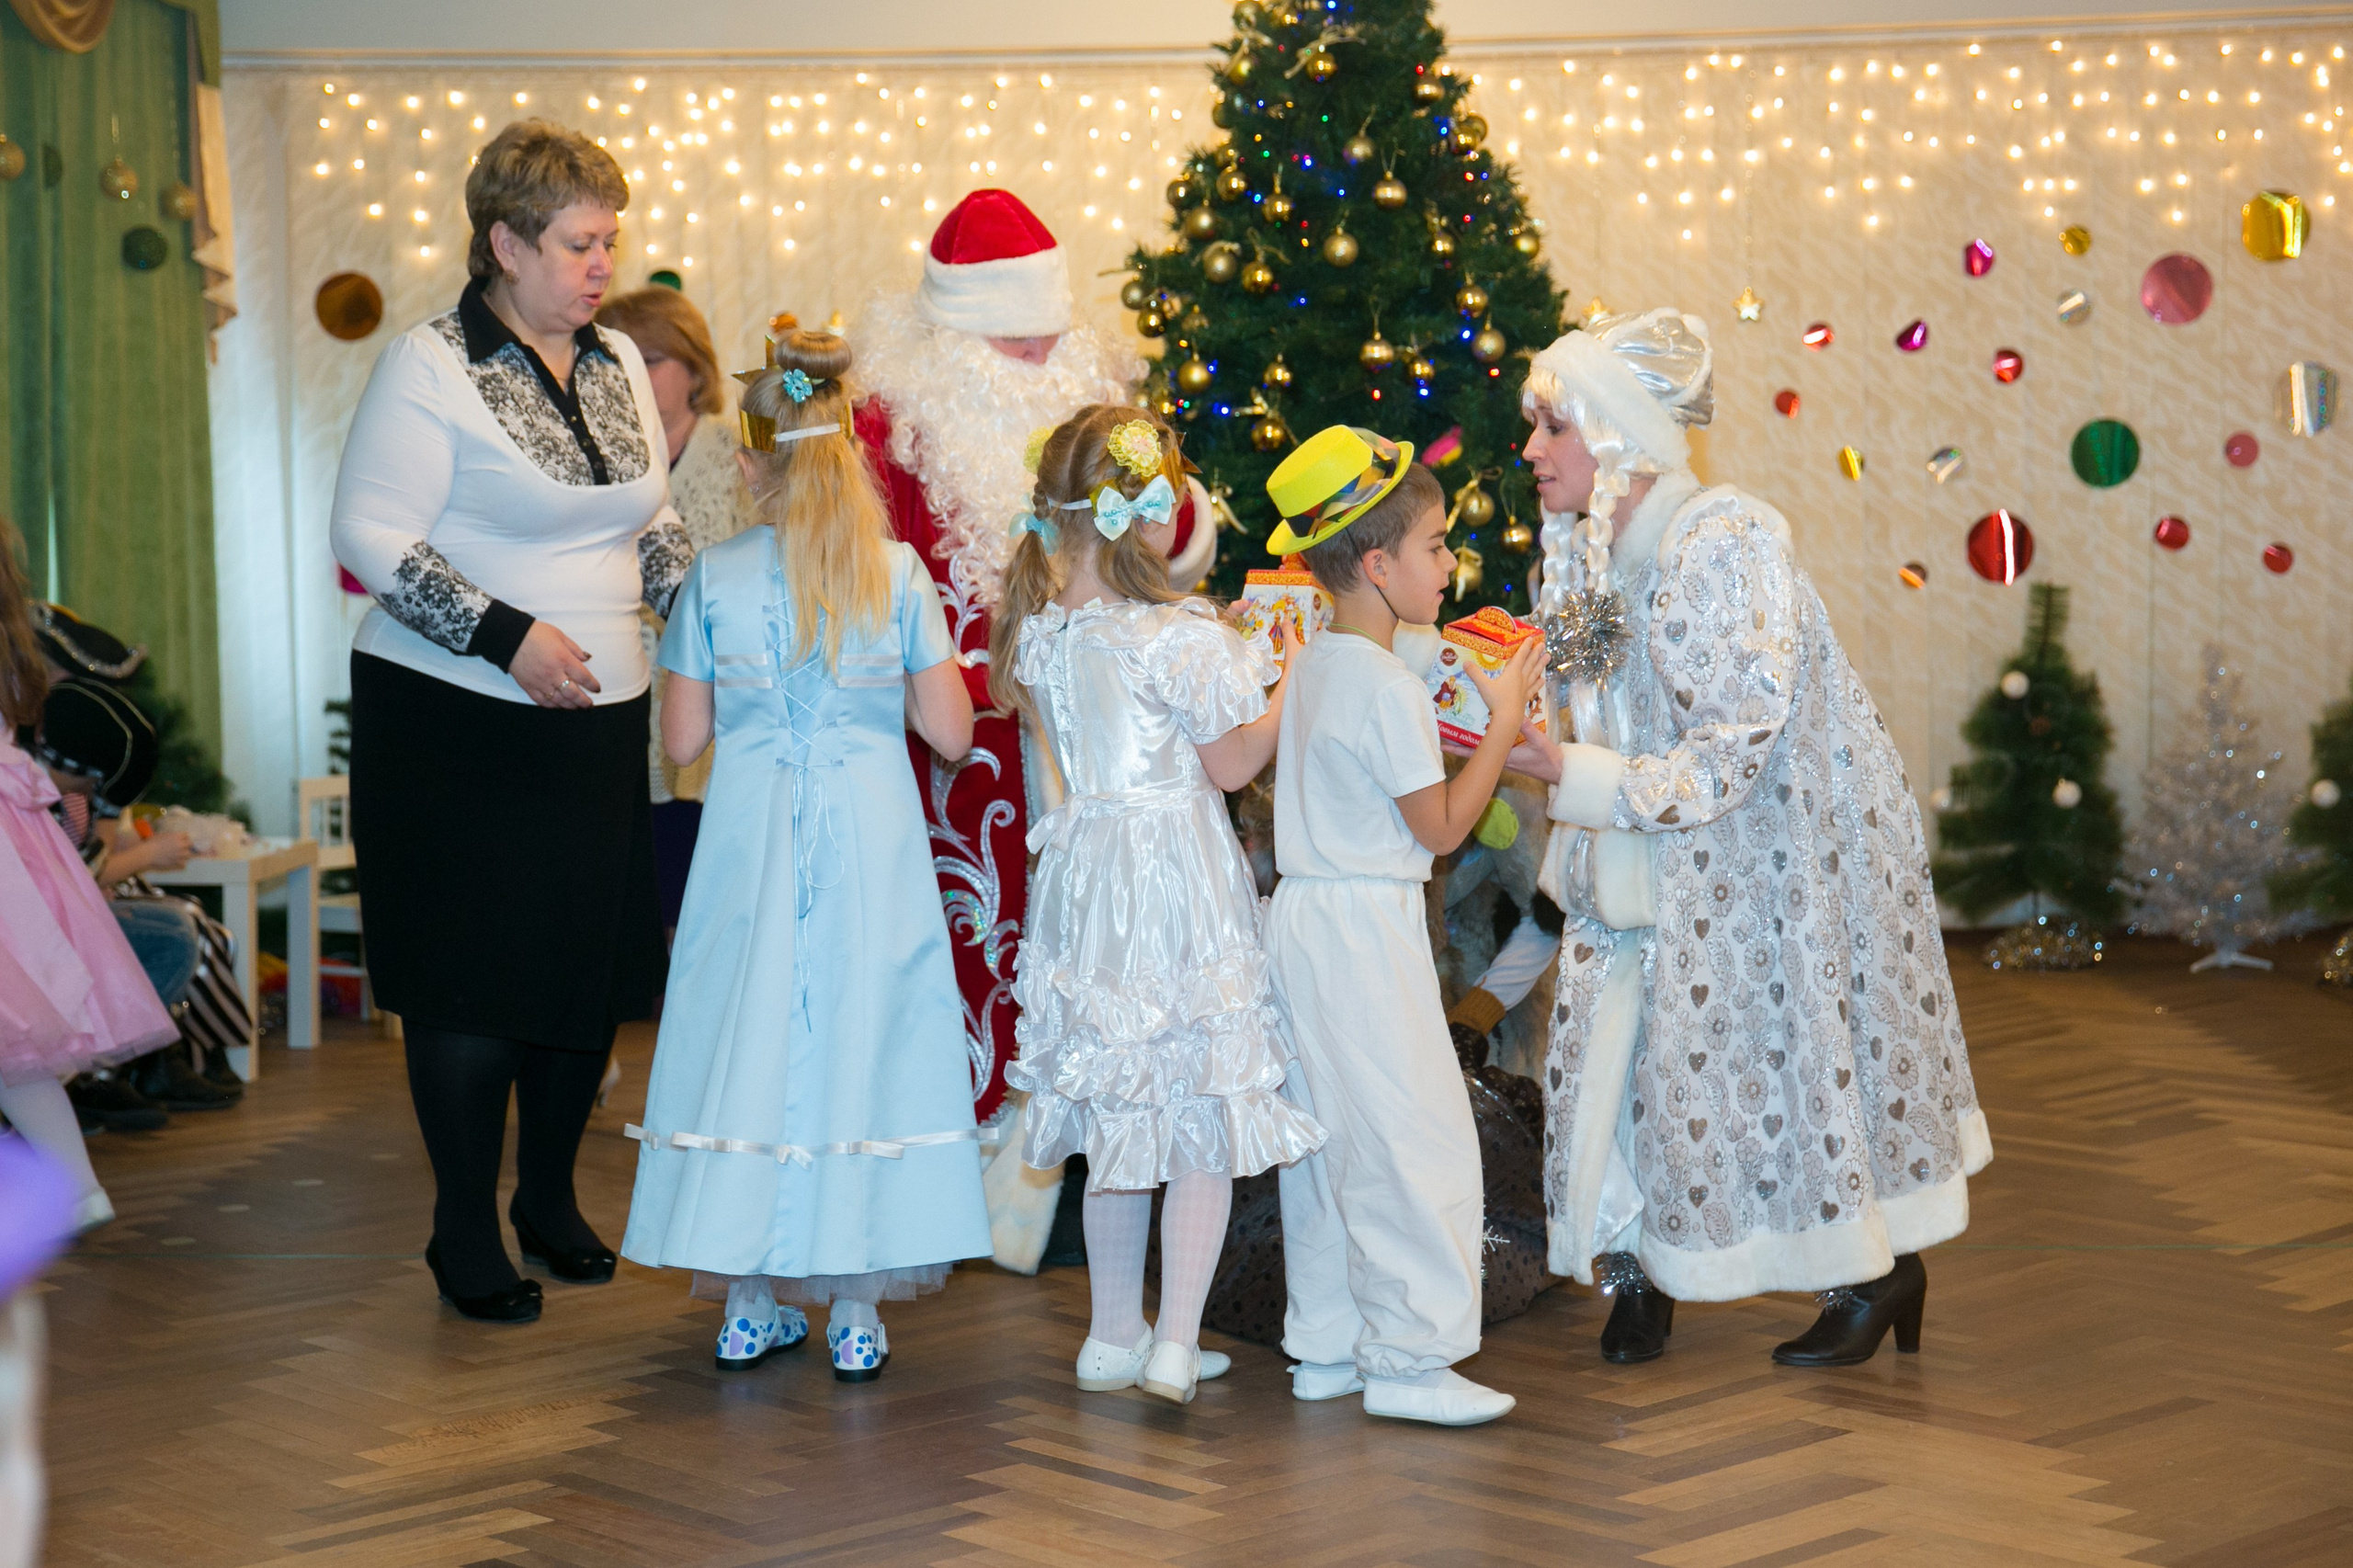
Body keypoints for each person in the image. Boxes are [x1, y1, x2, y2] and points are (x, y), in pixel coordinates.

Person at [1506, 308, 1992, 1367]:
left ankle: (1873, 1270)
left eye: (1552, 426)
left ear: (1620, 432)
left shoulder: (1724, 537)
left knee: (1776, 1063)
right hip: (1639, 854)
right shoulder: (1579, 556)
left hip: (1768, 858)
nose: (1531, 450)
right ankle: (1638, 1274)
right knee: (1615, 1063)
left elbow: (1738, 743)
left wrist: (1573, 773)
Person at [330, 119, 689, 1324]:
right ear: (505, 242)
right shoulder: (429, 364)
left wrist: (703, 626)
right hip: (452, 723)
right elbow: (370, 539)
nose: (602, 265)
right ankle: (461, 1224)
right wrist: (506, 637)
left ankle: (545, 1197)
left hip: (594, 721)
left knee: (579, 978)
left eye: (610, 241)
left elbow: (653, 519)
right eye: (581, 243)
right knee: (474, 987)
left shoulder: (617, 362)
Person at [620, 329, 992, 1383]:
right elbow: (955, 734)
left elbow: (684, 742)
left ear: (749, 464)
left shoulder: (715, 577)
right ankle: (858, 1311)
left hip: (749, 843)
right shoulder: (898, 572)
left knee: (748, 1036)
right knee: (864, 1038)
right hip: (870, 841)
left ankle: (746, 1302)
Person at [854, 190, 1216, 1212]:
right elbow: (867, 585)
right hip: (963, 740)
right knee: (977, 946)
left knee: (1102, 944)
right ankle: (978, 1177)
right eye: (1019, 341)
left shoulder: (1103, 402)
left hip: (1107, 731)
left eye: (1051, 330)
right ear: (959, 330)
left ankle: (1089, 1165)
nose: (1043, 353)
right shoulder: (888, 424)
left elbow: (1176, 515)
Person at [995, 406, 1324, 1404]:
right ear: (1145, 514)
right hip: (1174, 874)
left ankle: (1110, 1335)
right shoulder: (1178, 637)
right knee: (1199, 1108)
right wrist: (1289, 675)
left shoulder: (1043, 636)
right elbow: (1230, 762)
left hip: (1091, 878)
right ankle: (1175, 1341)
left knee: (1120, 1114)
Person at [1260, 426, 1543, 1428]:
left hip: (1303, 920)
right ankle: (1413, 1359)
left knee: (1327, 1136)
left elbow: (1419, 647)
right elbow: (1441, 827)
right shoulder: (1381, 686)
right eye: (1433, 547)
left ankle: (1328, 1343)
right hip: (1364, 928)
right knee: (1414, 1137)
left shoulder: (1322, 657)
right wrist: (1504, 718)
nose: (1448, 564)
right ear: (1377, 566)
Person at [0, 518, 177, 1233]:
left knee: (16, 1040)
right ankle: (76, 1185)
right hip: (17, 850)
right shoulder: (13, 643)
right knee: (17, 1043)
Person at [592, 285, 757, 936]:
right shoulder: (595, 458)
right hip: (613, 702)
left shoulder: (737, 453)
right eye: (615, 358)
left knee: (704, 903)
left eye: (651, 358)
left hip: (712, 713)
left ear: (695, 369)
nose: (631, 375)